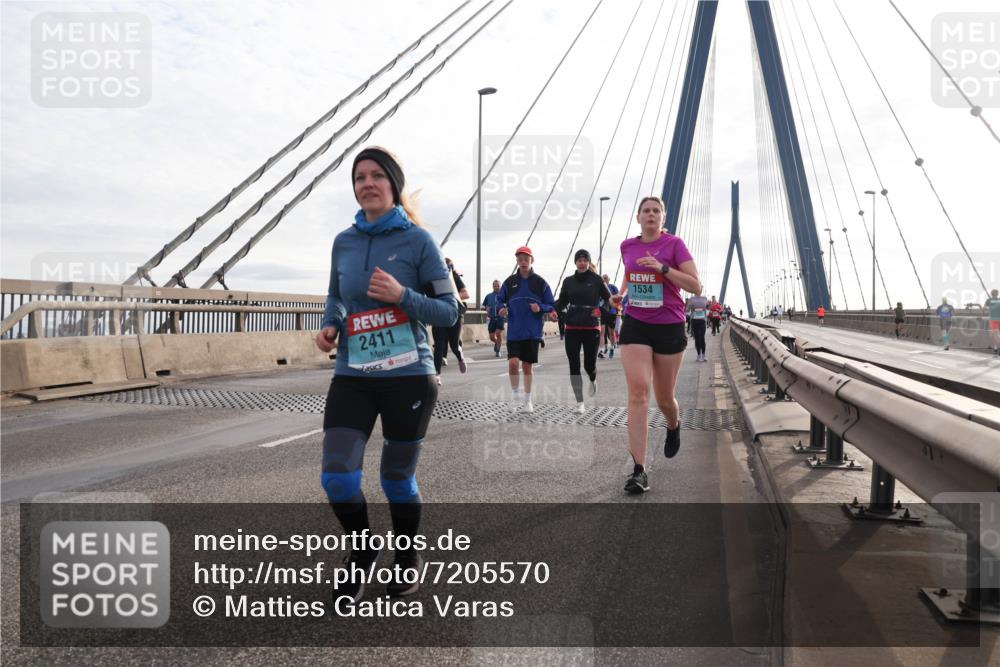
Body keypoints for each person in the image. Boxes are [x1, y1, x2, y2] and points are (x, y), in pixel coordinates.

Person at [316, 146, 458, 601]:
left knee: (396, 478)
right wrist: (331, 323)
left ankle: (407, 557)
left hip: (408, 375)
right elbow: (336, 295)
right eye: (359, 177)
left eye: (377, 175)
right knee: (337, 475)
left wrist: (402, 296)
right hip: (353, 373)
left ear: (393, 185)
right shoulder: (344, 241)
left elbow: (449, 312)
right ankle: (362, 553)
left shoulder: (419, 242)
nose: (368, 183)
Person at [611, 196, 702, 494]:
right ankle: (638, 470)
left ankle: (673, 425)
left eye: (656, 211)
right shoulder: (627, 246)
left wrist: (663, 269)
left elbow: (695, 286)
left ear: (664, 217)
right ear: (638, 217)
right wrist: (622, 294)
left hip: (669, 325)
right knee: (639, 392)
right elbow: (629, 272)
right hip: (637, 324)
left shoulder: (675, 245)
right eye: (645, 211)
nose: (651, 215)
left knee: (665, 399)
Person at [497, 246, 556, 413]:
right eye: (520, 259)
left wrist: (541, 307)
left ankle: (528, 401)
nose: (523, 262)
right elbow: (500, 300)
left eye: (526, 259)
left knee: (527, 366)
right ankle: (515, 397)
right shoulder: (509, 282)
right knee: (513, 363)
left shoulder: (540, 282)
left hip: (532, 331)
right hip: (514, 331)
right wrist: (501, 308)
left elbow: (551, 305)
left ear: (532, 260)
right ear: (516, 261)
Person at [553, 249, 611, 414]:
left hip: (591, 326)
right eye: (579, 260)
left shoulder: (597, 280)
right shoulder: (568, 281)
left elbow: (609, 301)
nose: (582, 262)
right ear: (575, 262)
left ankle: (593, 378)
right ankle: (580, 403)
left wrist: (601, 311)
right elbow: (562, 301)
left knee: (588, 365)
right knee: (574, 365)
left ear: (588, 262)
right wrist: (554, 311)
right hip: (572, 327)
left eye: (585, 260)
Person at [432, 258, 469, 384]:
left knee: (454, 345)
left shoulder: (454, 278)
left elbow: (465, 294)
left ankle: (460, 358)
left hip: (454, 313)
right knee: (439, 345)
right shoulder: (433, 278)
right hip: (439, 314)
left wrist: (451, 295)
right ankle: (437, 374)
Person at [599, 274, 620, 359]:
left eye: (606, 278)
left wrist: (615, 302)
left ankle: (612, 347)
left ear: (609, 279)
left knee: (611, 332)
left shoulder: (613, 287)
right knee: (602, 332)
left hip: (612, 312)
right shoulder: (599, 288)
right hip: (602, 312)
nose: (604, 280)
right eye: (603, 279)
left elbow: (619, 297)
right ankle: (602, 349)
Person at [483, 279, 505, 358]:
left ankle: (498, 351)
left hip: (500, 318)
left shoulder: (504, 296)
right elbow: (485, 305)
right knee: (492, 337)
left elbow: (508, 305)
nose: (496, 287)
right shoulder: (489, 296)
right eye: (495, 286)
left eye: (498, 286)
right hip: (491, 318)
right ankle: (497, 342)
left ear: (500, 286)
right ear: (492, 286)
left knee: (498, 334)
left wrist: (505, 309)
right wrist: (487, 308)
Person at [687, 293, 709, 362]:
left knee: (702, 337)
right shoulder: (691, 299)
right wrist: (690, 307)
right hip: (694, 321)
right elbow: (687, 309)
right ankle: (699, 354)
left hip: (702, 320)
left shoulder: (705, 298)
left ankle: (704, 355)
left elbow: (708, 309)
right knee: (697, 338)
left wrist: (706, 310)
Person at [983, 289, 1000, 356]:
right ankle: (995, 349)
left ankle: (998, 347)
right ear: (997, 294)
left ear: (991, 293)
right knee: (997, 335)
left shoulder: (988, 300)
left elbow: (984, 308)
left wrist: (988, 309)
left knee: (995, 334)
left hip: (993, 319)